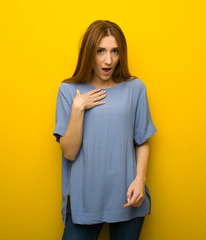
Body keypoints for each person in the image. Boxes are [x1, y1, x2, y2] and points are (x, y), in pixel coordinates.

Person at [53, 20, 157, 240]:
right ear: (89, 52)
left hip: (128, 198)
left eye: (115, 51)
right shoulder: (69, 91)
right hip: (85, 200)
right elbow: (69, 152)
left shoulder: (135, 88)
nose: (108, 60)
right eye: (100, 51)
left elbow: (142, 141)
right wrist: (78, 108)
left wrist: (140, 181)